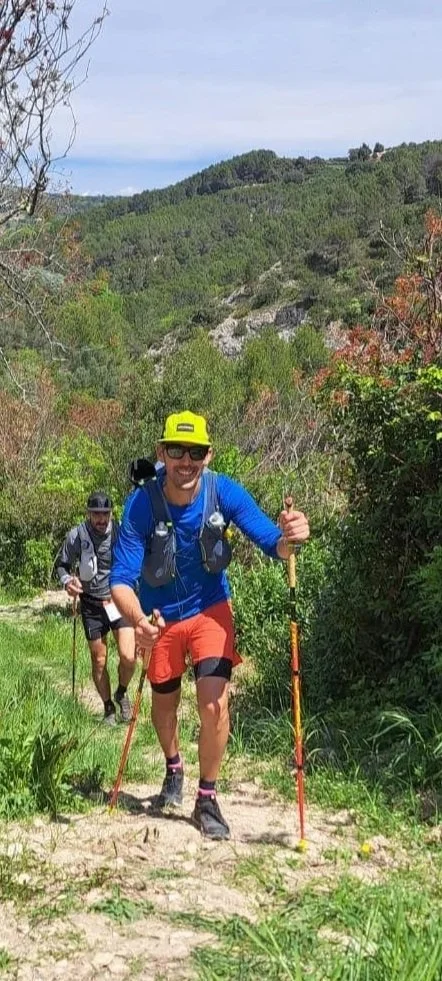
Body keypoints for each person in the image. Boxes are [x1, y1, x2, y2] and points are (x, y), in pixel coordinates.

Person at [110, 412, 310, 839]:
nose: (186, 461)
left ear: (208, 454)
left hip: (210, 609)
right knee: (164, 709)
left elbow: (271, 541)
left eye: (196, 452)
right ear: (161, 452)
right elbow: (120, 581)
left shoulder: (224, 492)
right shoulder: (141, 504)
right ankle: (174, 766)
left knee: (215, 703)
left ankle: (207, 797)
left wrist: (290, 536)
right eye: (177, 451)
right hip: (160, 617)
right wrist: (137, 620)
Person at [56, 491, 136, 726]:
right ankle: (108, 706)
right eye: (96, 515)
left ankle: (121, 692)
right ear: (88, 514)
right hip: (91, 604)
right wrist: (68, 582)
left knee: (128, 657)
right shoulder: (77, 535)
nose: (101, 519)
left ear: (112, 513)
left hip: (118, 601)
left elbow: (137, 559)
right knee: (99, 660)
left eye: (105, 514)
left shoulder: (121, 532)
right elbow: (61, 565)